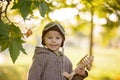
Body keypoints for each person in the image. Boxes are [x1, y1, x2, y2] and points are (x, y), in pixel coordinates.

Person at [27, 22, 93, 80]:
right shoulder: (40, 57)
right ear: (44, 40)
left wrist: (80, 74)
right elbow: (33, 77)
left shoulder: (67, 61)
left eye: (57, 38)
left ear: (62, 41)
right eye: (49, 37)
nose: (53, 41)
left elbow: (70, 78)